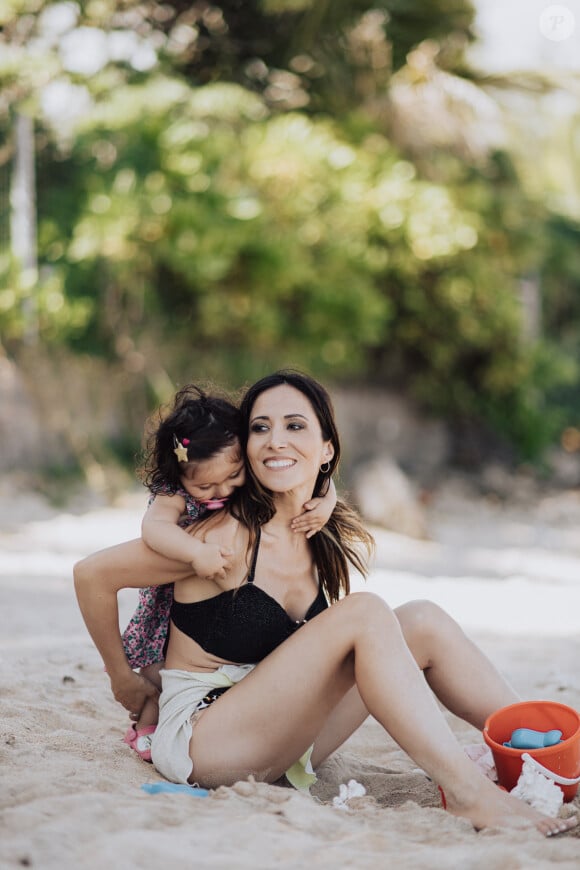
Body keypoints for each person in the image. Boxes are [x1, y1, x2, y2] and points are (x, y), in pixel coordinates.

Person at [74, 371, 577, 837]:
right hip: (207, 743)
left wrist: (326, 492)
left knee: (422, 619)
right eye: (260, 428)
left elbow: (316, 482)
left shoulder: (316, 529)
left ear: (326, 447)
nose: (276, 439)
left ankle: (557, 757)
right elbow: (91, 575)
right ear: (244, 448)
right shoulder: (218, 541)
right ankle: (469, 794)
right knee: (364, 613)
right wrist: (123, 677)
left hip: (284, 739)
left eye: (295, 425)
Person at [96, 383, 337, 760]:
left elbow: (308, 466)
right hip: (175, 575)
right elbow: (152, 529)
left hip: (247, 710)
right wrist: (194, 553)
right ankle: (147, 729)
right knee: (157, 668)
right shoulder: (181, 499)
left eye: (232, 476)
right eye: (205, 485)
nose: (220, 491)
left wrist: (328, 501)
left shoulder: (242, 478)